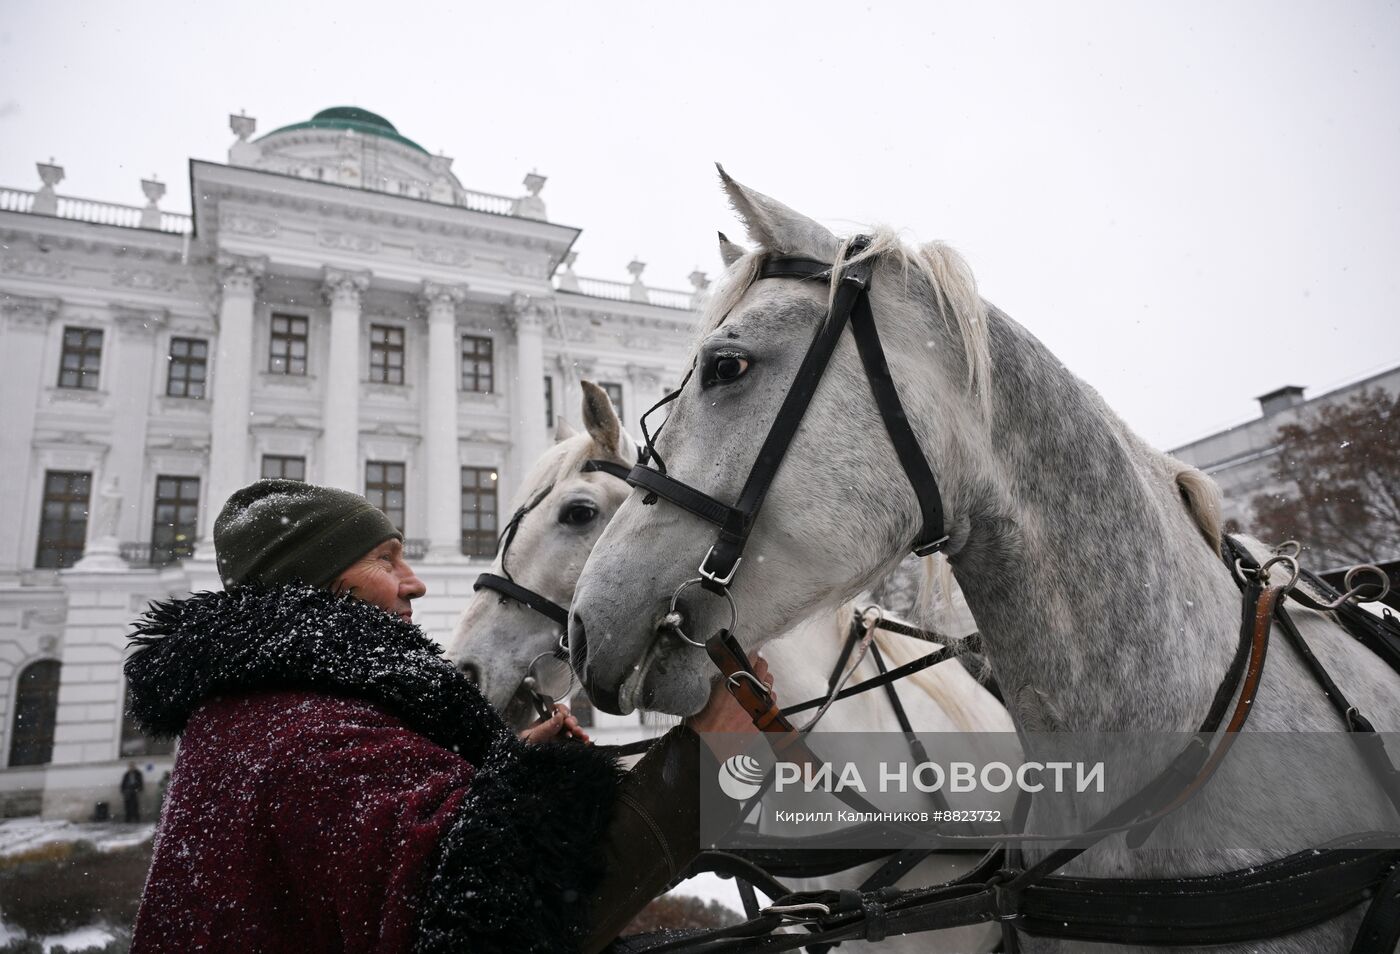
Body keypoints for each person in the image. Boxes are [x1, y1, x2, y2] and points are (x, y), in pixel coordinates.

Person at [125, 479, 770, 954]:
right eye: (385, 559)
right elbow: (490, 922)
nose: (416, 582)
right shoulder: (304, 735)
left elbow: (395, 858)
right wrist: (704, 757)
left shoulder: (267, 712)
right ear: (316, 585)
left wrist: (505, 768)